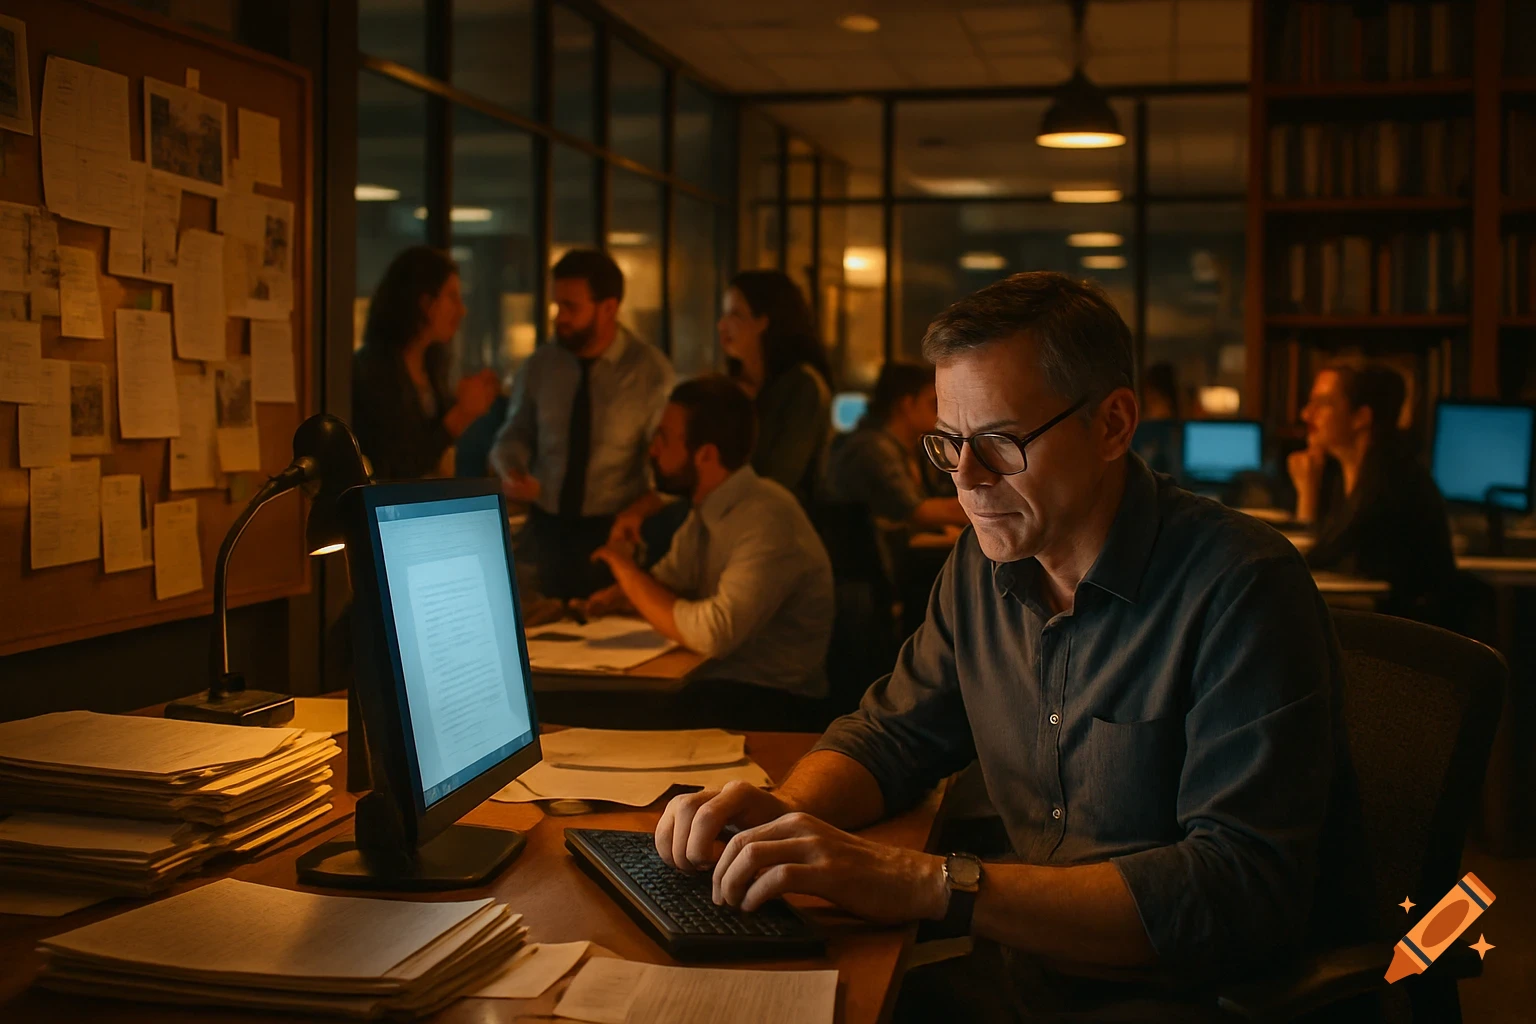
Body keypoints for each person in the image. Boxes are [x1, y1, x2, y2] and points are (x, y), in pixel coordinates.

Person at [650, 272, 1370, 1020]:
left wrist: (926, 881)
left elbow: (1235, 891)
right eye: (948, 443)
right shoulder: (982, 563)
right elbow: (892, 736)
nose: (967, 478)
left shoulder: (1242, 587)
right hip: (1027, 969)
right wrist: (780, 818)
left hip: (1191, 997)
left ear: (1115, 424)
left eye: (1000, 441)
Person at [581, 375, 834, 729]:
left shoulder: (766, 518)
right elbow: (670, 584)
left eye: (663, 439)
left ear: (706, 455)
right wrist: (618, 596)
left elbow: (714, 633)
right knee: (595, 707)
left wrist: (621, 566)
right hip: (718, 687)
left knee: (605, 718)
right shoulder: (707, 510)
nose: (652, 450)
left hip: (775, 706)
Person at [489, 249, 673, 599]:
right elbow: (514, 433)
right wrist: (511, 470)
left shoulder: (649, 373)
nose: (560, 318)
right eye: (557, 306)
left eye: (571, 307)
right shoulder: (542, 364)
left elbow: (667, 462)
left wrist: (641, 511)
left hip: (613, 532)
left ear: (608, 308)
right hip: (545, 527)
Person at [607, 269, 834, 548]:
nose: (722, 325)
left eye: (735, 315)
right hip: (722, 532)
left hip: (776, 538)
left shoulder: (801, 387)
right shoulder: (731, 387)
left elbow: (775, 479)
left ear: (764, 321)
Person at [1289, 361, 1457, 624]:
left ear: (1361, 418)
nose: (1306, 414)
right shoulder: (1341, 476)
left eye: (1322, 404)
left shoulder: (1392, 480)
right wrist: (1307, 489)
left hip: (1409, 637)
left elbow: (1322, 556)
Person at [351, 247, 501, 481]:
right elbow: (395, 466)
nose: (461, 310)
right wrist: (459, 415)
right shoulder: (371, 371)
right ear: (424, 302)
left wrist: (468, 404)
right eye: (452, 297)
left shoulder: (432, 366)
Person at [821, 361, 968, 532]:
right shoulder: (873, 448)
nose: (942, 411)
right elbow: (915, 511)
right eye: (934, 403)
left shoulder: (909, 448)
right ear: (907, 404)